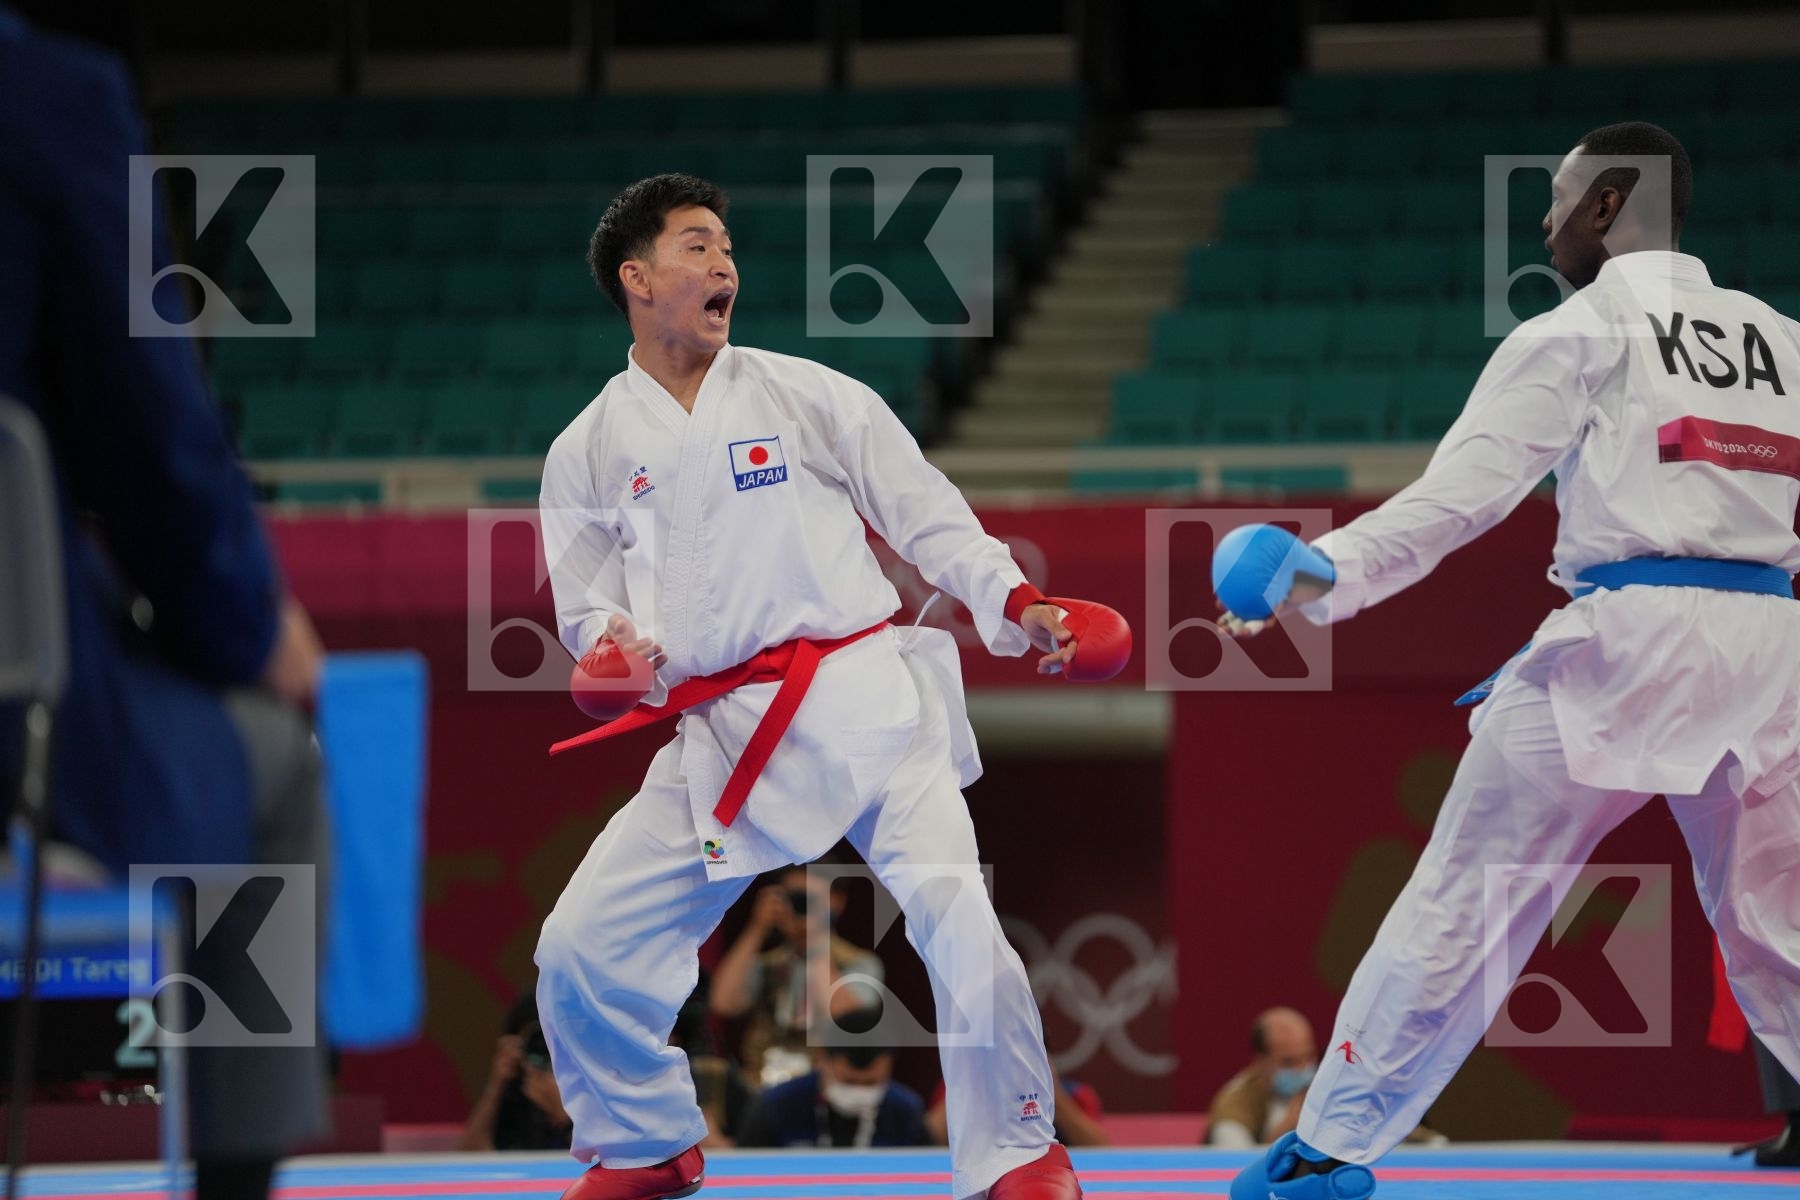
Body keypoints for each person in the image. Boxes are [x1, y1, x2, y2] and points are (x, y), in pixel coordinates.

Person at [1215, 121, 1800, 1200]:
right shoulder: (1783, 339)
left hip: (1629, 639)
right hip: (1773, 647)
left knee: (1471, 894)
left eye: (1562, 197)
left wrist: (1318, 571)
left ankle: (1330, 1149)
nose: (1545, 221)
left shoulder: (1576, 332)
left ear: (1611, 202)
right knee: (1782, 924)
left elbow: (1460, 500)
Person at [533, 173, 1100, 1200]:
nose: (723, 265)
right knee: (577, 948)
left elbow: (927, 514)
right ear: (636, 276)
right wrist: (611, 647)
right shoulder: (587, 450)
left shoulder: (807, 395)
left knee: (959, 922)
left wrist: (1018, 603)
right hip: (724, 730)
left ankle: (1020, 1152)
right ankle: (644, 1142)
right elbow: (586, 602)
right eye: (697, 247)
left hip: (866, 699)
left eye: (728, 249)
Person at [0, 10, 329, 1200]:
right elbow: (150, 443)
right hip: (19, 716)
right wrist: (245, 627)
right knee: (278, 757)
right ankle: (235, 1181)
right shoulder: (42, 97)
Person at [709, 864, 885, 1086]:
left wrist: (814, 942)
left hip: (822, 1087)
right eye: (794, 898)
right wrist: (757, 928)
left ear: (836, 902)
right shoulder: (770, 963)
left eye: (811, 899)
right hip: (761, 1087)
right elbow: (723, 1002)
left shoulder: (859, 963)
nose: (801, 907)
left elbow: (848, 1022)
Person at [734, 1005, 930, 1149]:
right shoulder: (776, 1105)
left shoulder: (905, 1111)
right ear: (823, 1061)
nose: (860, 1091)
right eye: (849, 1081)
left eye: (871, 1083)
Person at [461, 996, 574, 1152]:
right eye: (538, 1038)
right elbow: (470, 1159)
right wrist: (496, 1086)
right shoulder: (512, 1093)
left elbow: (603, 1162)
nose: (546, 1047)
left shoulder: (589, 1090)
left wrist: (566, 1119)